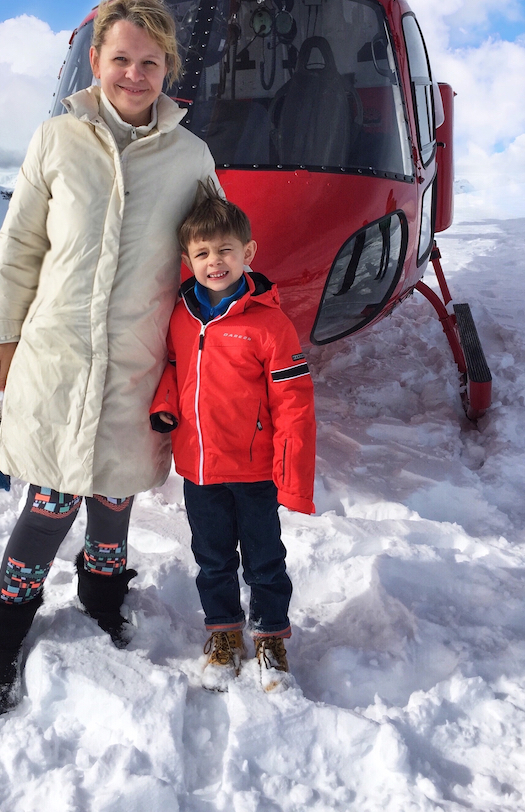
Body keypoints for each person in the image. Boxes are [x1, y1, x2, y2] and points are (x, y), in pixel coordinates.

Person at [0, 0, 217, 714]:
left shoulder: (192, 156)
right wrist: (1, 332)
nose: (134, 74)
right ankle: (6, 614)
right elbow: (20, 243)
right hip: (57, 354)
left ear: (167, 67)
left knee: (116, 491)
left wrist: (236, 330)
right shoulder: (57, 138)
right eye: (121, 59)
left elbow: (213, 251)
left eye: (149, 62)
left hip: (140, 357)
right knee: (51, 495)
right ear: (96, 62)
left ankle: (102, 592)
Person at [150, 181, 316, 692]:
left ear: (248, 253)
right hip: (199, 469)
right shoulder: (180, 315)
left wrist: (292, 478)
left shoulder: (270, 325)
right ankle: (223, 632)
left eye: (225, 251)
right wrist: (163, 406)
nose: (214, 262)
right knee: (212, 559)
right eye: (202, 253)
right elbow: (173, 368)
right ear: (187, 259)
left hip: (254, 470)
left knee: (265, 559)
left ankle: (269, 636)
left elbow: (295, 403)